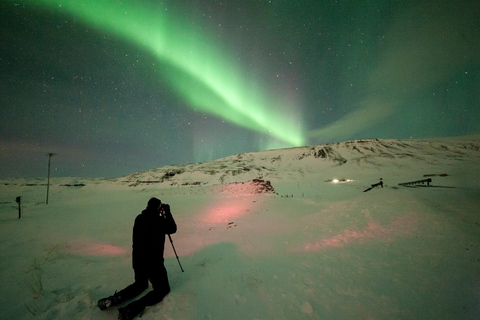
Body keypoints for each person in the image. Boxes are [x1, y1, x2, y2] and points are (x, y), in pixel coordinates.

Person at [97, 197, 177, 320]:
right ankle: (132, 308)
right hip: (154, 262)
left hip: (138, 260)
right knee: (162, 289)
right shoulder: (160, 221)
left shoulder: (139, 218)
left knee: (140, 284)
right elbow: (172, 228)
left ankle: (114, 299)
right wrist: (167, 212)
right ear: (158, 208)